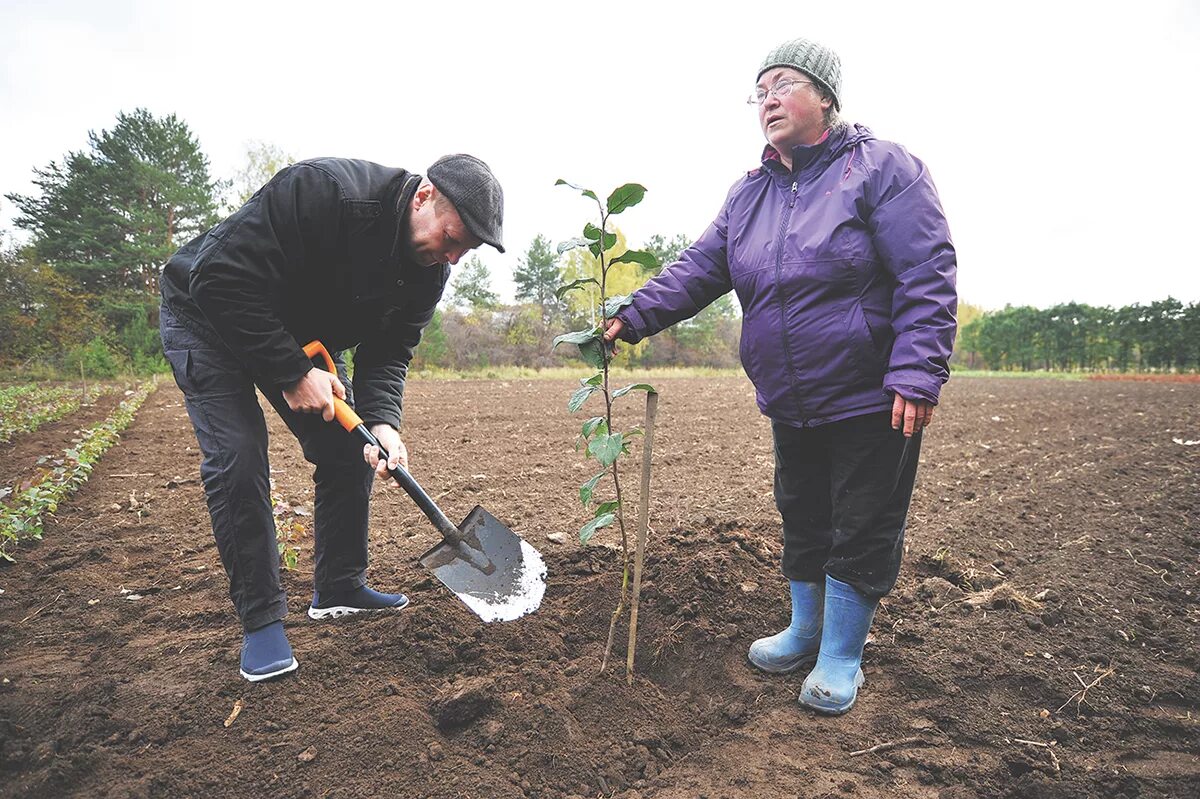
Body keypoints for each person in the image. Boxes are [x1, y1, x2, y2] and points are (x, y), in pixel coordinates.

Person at [605, 37, 956, 714]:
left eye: (783, 83)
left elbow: (928, 269)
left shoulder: (883, 168)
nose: (766, 98)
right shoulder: (750, 194)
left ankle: (842, 653)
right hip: (791, 397)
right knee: (803, 511)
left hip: (871, 394)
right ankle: (805, 629)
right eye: (758, 90)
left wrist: (917, 369)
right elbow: (700, 266)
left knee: (862, 519)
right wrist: (633, 314)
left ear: (825, 96)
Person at [159, 154, 504, 682]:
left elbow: (389, 353)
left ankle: (339, 586)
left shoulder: (427, 274)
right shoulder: (324, 193)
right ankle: (262, 622)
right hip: (206, 316)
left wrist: (385, 422)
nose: (453, 259)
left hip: (297, 335)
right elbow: (216, 276)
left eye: (466, 251)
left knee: (352, 448)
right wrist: (291, 370)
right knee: (238, 457)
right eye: (453, 239)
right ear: (424, 197)